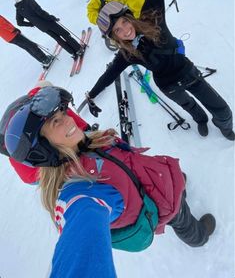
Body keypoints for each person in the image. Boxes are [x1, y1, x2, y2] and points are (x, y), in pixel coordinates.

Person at [4, 85, 216, 277]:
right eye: (55, 121)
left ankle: (177, 185)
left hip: (154, 180)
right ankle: (198, 237)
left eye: (62, 112)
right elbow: (81, 234)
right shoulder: (81, 191)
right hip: (161, 204)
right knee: (180, 216)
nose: (68, 119)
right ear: (43, 149)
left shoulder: (83, 143)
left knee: (177, 187)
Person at [84, 0, 235, 141]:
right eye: (118, 32)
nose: (125, 30)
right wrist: (92, 95)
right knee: (190, 106)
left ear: (129, 16)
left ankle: (225, 125)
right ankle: (201, 120)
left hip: (186, 70)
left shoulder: (151, 15)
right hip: (166, 84)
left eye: (124, 22)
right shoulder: (127, 53)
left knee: (221, 107)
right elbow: (109, 75)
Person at [0, 81, 93, 184]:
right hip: (35, 174)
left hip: (29, 170)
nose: (68, 118)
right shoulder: (44, 107)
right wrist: (87, 130)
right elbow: (72, 124)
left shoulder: (40, 102)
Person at [9, 0, 83, 59]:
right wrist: (51, 18)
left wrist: (32, 23)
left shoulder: (18, 8)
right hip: (48, 21)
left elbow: (19, 23)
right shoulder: (28, 0)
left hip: (42, 27)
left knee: (58, 38)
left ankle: (72, 52)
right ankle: (78, 49)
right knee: (64, 34)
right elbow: (40, 12)